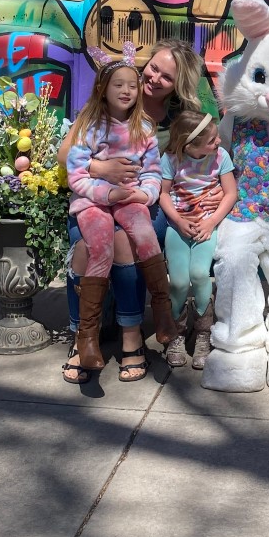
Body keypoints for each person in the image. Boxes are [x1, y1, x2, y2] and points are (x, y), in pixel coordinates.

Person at [59, 40, 218, 384]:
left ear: (178, 86)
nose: (154, 78)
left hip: (141, 202)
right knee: (89, 247)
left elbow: (208, 161)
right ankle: (82, 337)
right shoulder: (107, 100)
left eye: (167, 76)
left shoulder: (178, 120)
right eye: (154, 67)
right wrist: (102, 170)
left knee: (127, 243)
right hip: (95, 198)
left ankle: (132, 334)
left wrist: (212, 193)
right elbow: (67, 158)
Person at [63, 54, 170, 376]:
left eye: (131, 85)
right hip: (93, 203)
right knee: (98, 248)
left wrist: (144, 193)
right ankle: (86, 337)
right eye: (118, 85)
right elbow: (76, 174)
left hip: (130, 199)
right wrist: (106, 191)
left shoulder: (144, 130)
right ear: (103, 89)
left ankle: (159, 314)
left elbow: (152, 172)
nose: (126, 91)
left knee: (144, 238)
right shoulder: (88, 128)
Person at [158, 110, 238, 369]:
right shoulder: (171, 159)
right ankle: (176, 334)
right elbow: (164, 194)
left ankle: (204, 332)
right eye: (212, 140)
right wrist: (179, 221)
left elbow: (230, 193)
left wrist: (211, 222)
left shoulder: (221, 157)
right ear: (189, 144)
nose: (218, 142)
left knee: (200, 274)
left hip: (207, 225)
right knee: (179, 281)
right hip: (179, 226)